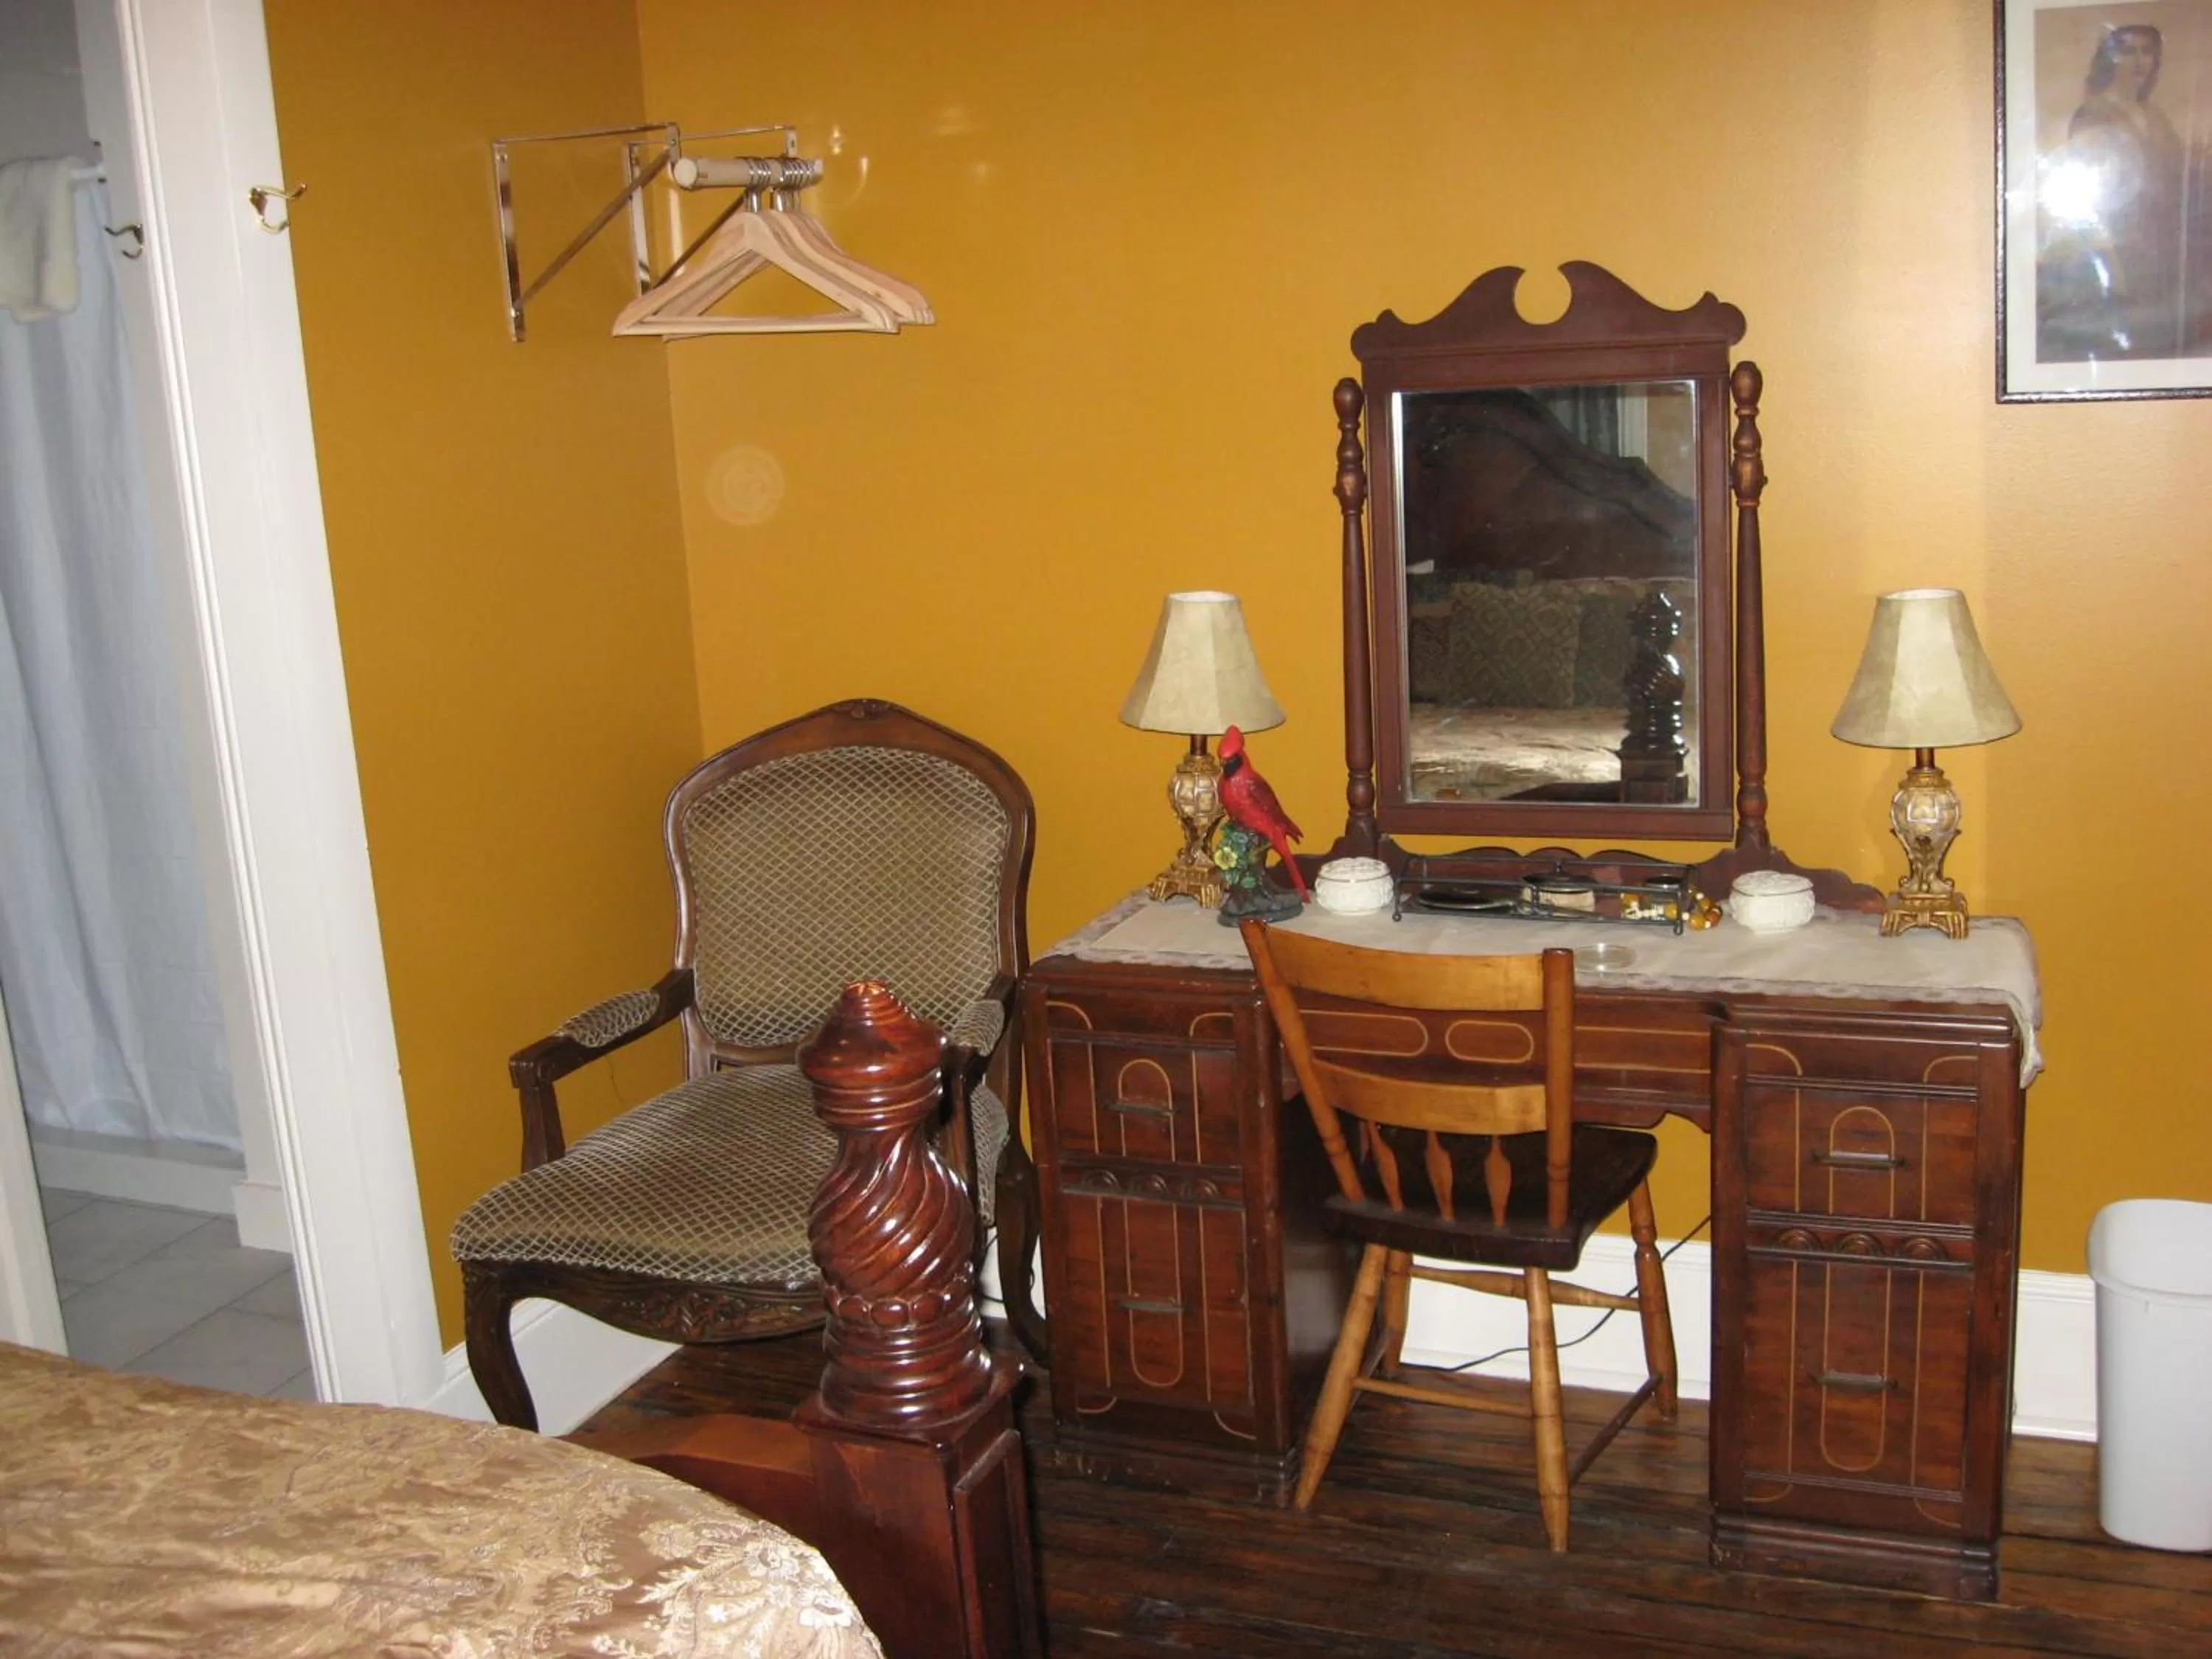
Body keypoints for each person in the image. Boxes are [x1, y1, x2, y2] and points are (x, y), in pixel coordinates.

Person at [2037, 24, 2188, 362]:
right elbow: (2092, 209)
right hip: (2119, 257)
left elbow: (2174, 183)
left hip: (2162, 255)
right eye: (2126, 51)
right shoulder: (2095, 115)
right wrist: (2113, 271)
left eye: (2146, 51)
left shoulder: (2155, 116)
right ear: (2108, 59)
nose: (2138, 62)